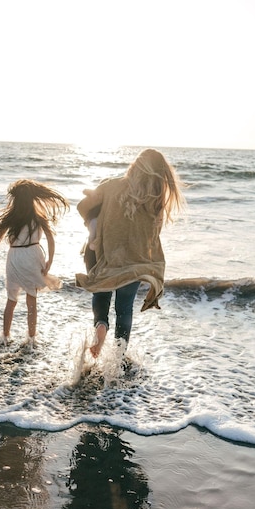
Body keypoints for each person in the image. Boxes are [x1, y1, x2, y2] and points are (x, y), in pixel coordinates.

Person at [76, 149, 185, 358]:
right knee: (124, 309)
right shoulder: (155, 201)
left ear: (134, 166)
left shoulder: (110, 185)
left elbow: (83, 206)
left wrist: (95, 220)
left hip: (104, 256)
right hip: (135, 263)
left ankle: (100, 325)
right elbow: (153, 235)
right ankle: (118, 358)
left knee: (101, 294)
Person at [0, 179, 69, 344]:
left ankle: (5, 336)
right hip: (33, 255)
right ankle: (31, 338)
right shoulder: (39, 217)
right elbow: (50, 239)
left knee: (11, 299)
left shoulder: (10, 217)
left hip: (15, 257)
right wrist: (50, 260)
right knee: (31, 299)